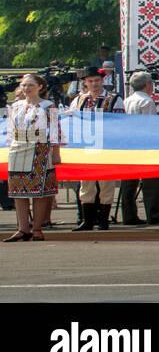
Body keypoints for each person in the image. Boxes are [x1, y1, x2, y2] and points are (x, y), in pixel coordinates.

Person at [5, 74, 63, 241]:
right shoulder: (16, 106)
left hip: (39, 148)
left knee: (39, 191)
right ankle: (23, 228)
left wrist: (56, 152)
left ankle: (37, 228)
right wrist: (11, 147)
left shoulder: (47, 106)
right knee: (18, 190)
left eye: (30, 85)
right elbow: (10, 130)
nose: (26, 89)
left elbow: (54, 131)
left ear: (40, 87)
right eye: (24, 85)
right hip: (18, 147)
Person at [69, 68, 124, 232]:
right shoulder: (79, 100)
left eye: (97, 80)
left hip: (106, 147)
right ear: (85, 82)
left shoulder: (114, 99)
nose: (94, 84)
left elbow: (120, 123)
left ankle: (103, 220)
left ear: (102, 81)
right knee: (86, 184)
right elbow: (72, 122)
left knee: (106, 184)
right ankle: (87, 221)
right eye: (90, 81)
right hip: (85, 147)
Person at [120, 72, 159, 226]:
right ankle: (154, 214)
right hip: (145, 145)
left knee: (128, 182)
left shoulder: (126, 101)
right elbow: (150, 126)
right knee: (152, 181)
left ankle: (128, 214)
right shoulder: (147, 102)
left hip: (128, 145)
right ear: (147, 84)